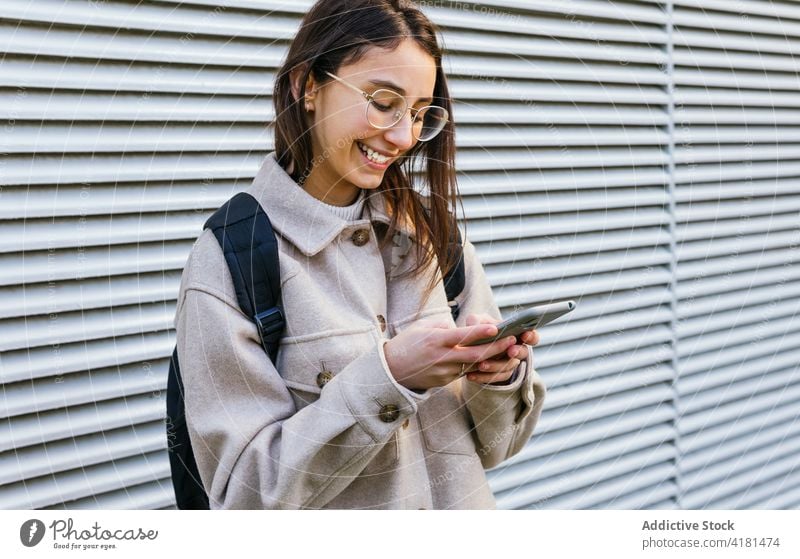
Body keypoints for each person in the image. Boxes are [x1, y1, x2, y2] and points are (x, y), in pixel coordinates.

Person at [174, 0, 546, 509]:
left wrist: (498, 380)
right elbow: (245, 499)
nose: (402, 137)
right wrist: (389, 378)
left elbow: (499, 445)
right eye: (382, 101)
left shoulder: (435, 235)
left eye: (419, 113)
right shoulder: (232, 259)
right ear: (308, 85)